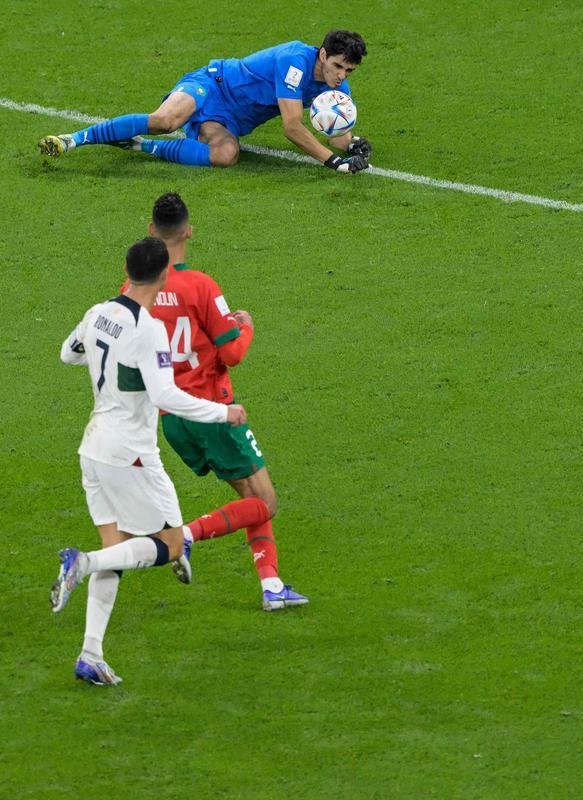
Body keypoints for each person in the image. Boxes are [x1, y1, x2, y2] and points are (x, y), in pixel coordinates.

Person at [52, 237, 248, 686]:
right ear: (162, 277)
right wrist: (224, 411)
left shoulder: (96, 312)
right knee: (173, 546)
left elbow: (67, 353)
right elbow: (165, 396)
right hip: (131, 454)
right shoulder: (148, 330)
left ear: (126, 268)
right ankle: (80, 563)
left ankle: (90, 654)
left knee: (116, 550)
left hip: (93, 449)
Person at [135, 193, 308, 611]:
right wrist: (243, 326)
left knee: (250, 498)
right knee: (265, 501)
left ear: (151, 231)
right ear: (189, 231)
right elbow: (232, 353)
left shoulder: (136, 287)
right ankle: (187, 537)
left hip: (172, 418)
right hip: (212, 411)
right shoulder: (200, 285)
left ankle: (271, 587)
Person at [39, 29, 372, 173]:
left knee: (227, 155)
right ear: (323, 54)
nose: (341, 76)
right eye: (337, 66)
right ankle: (73, 140)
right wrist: (333, 162)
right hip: (212, 84)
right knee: (165, 121)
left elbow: (335, 132)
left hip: (227, 121)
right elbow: (291, 126)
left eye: (349, 71)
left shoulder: (336, 90)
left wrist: (352, 146)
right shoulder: (294, 62)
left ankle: (137, 146)